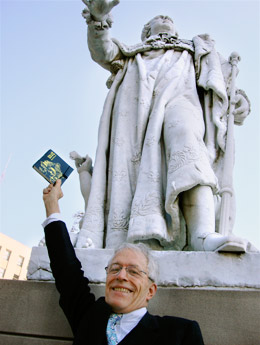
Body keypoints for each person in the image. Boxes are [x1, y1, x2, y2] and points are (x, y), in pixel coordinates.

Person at [76, 0, 251, 252]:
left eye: (169, 18)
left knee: (188, 142)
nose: (166, 17)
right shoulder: (130, 53)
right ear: (146, 31)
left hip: (183, 99)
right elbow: (102, 51)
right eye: (159, 17)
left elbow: (223, 81)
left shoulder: (194, 49)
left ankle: (202, 234)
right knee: (133, 170)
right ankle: (143, 232)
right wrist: (98, 20)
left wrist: (239, 100)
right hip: (137, 113)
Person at [42, 179, 205, 345]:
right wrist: (51, 204)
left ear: (151, 290)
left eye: (133, 271)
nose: (121, 276)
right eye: (115, 268)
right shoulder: (89, 318)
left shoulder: (180, 333)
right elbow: (66, 270)